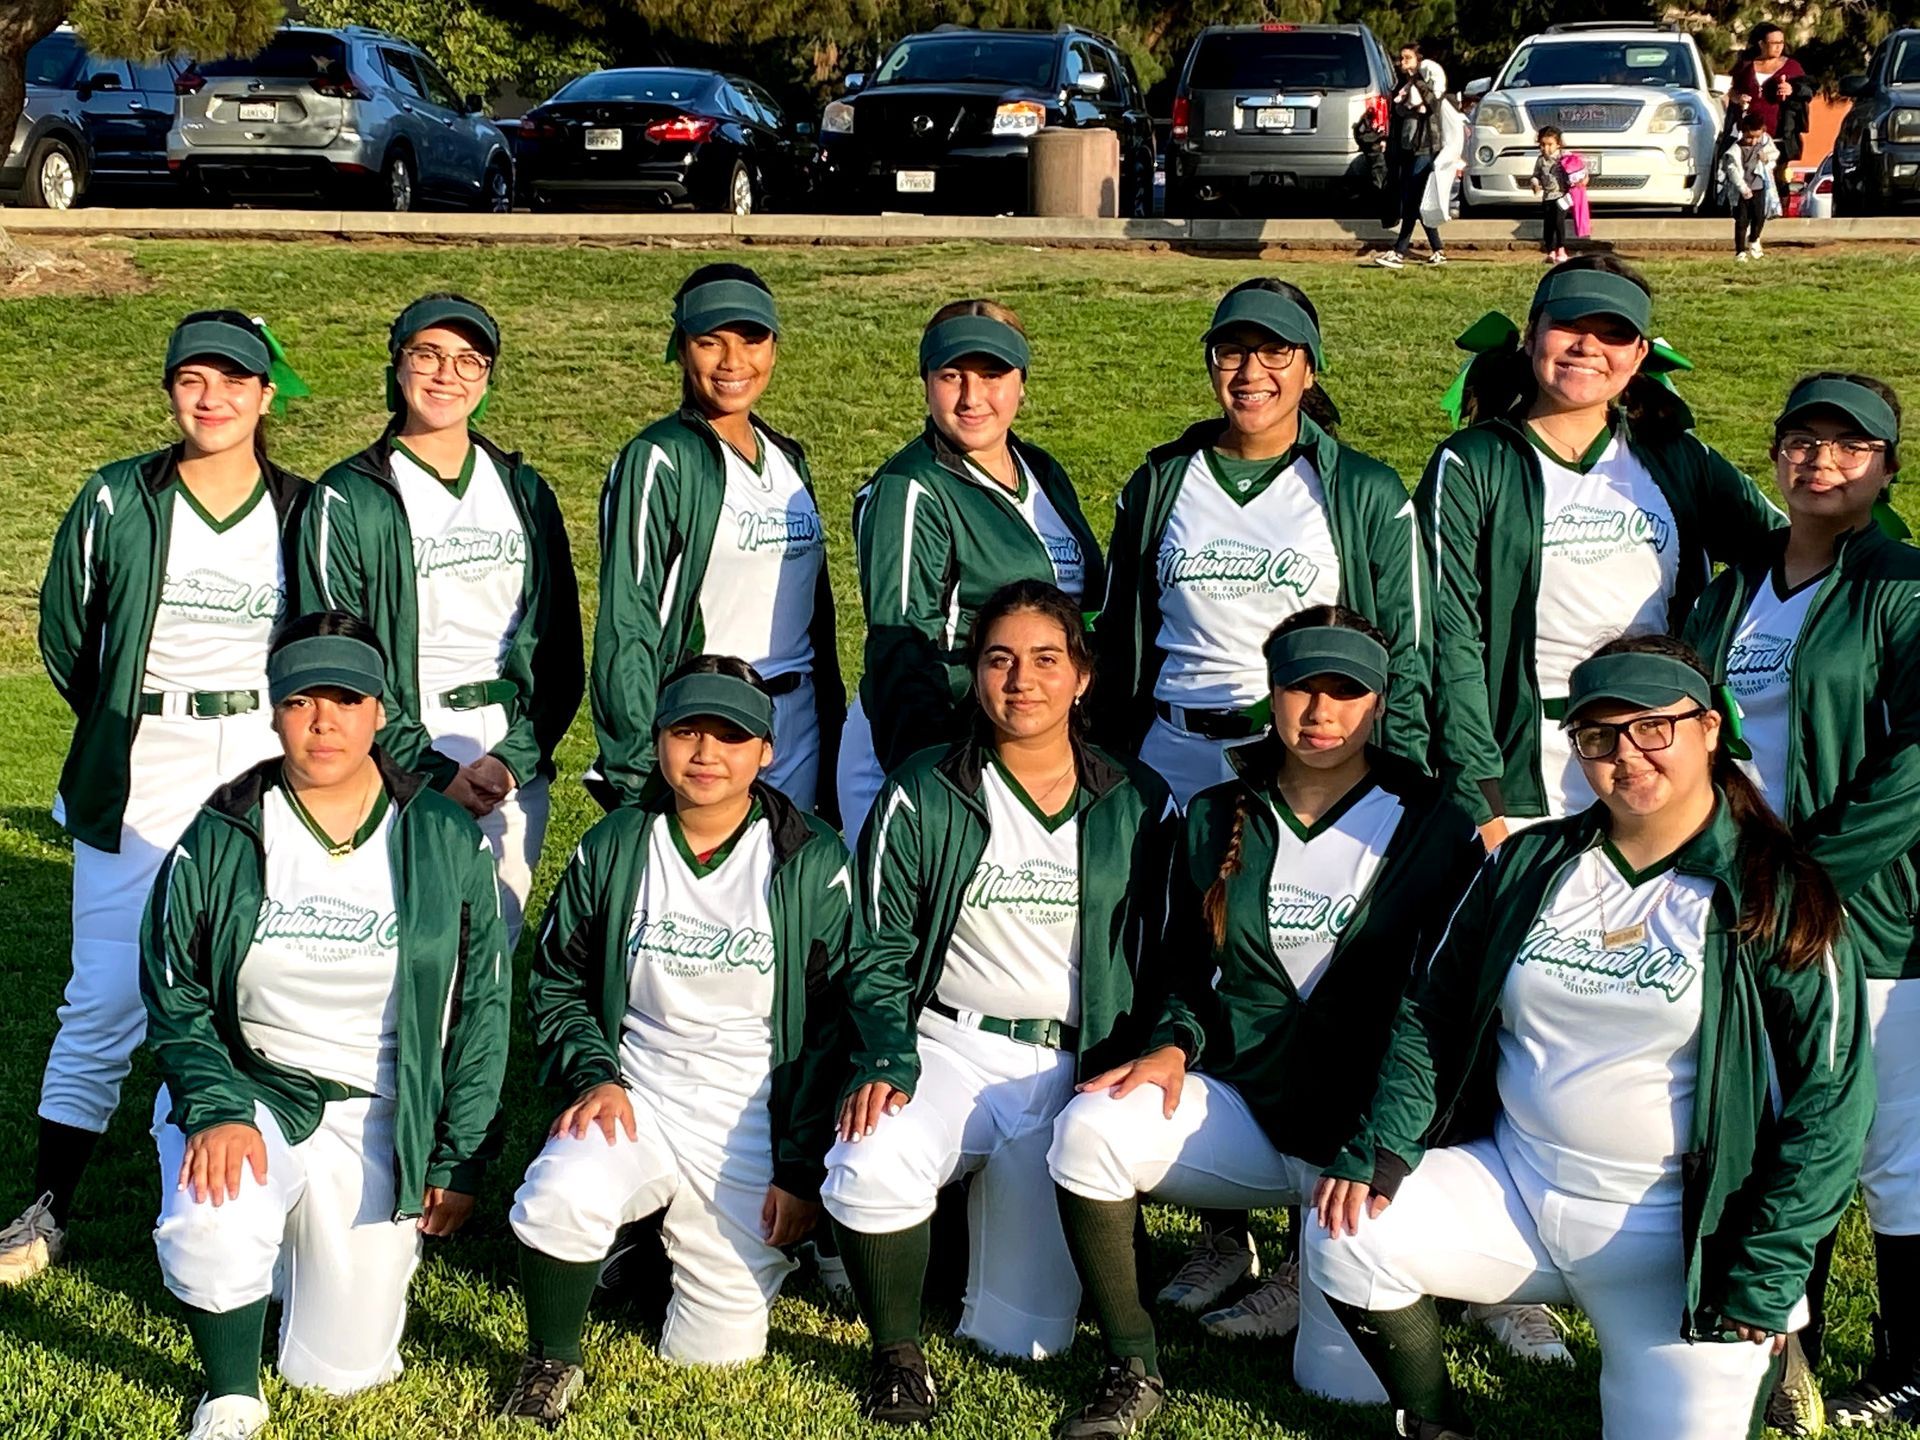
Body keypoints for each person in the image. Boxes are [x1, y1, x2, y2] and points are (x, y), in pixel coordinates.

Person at [1307, 635, 1873, 1440]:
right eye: (1598, 737)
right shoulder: (1529, 863)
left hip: (1677, 1242)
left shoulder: (1775, 891)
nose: (1626, 755)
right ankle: (1437, 1425)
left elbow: (1832, 1100)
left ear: (1710, 728)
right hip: (1519, 1186)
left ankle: (1770, 1355)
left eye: (1653, 728)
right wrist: (1387, 1144)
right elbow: (1433, 1011)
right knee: (1347, 1227)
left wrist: (1767, 1265)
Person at [1045, 609, 1482, 1437]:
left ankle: (1355, 1277)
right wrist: (1173, 1043)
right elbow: (1185, 969)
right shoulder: (1216, 813)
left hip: (1360, 1141)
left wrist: (1384, 1145)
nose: (1320, 712)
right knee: (1090, 1128)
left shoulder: (1435, 824)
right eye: (1300, 688)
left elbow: (1444, 1015)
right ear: (1271, 692)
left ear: (1380, 701)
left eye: (1345, 691)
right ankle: (1131, 1367)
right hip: (1249, 1112)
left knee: (1340, 1389)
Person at [141, 611, 511, 1440]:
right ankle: (231, 1394)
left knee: (338, 1372)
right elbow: (172, 989)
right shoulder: (223, 830)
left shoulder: (443, 833)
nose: (323, 722)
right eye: (301, 700)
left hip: (383, 1108)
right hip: (255, 1085)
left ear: (379, 711)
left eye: (346, 700)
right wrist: (216, 1104)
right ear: (274, 712)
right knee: (213, 1217)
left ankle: (286, 1258)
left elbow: (483, 1007)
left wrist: (457, 1152)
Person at [3, 312, 307, 1286]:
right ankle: (49, 1206)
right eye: (192, 380)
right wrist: (121, 721)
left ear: (266, 394)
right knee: (103, 991)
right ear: (171, 389)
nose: (212, 398)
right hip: (143, 757)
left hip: (263, 753)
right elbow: (67, 635)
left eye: (234, 380)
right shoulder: (117, 496)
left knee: (259, 982)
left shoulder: (304, 508)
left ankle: (261, 1194)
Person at [822, 580, 1170, 1425]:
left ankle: (955, 1250)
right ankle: (896, 1356)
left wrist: (1165, 1041)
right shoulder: (924, 788)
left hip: (1073, 1072)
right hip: (949, 1046)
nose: (1022, 680)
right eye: (999, 659)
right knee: (870, 1160)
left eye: (1047, 659)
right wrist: (886, 1055)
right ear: (975, 673)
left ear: (1082, 676)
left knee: (1024, 1340)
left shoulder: (1138, 798)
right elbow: (876, 946)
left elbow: (1172, 958)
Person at [500, 656, 851, 1424]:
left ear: (766, 751)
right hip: (638, 1091)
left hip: (750, 1112)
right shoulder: (617, 843)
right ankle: (551, 1357)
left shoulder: (811, 857)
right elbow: (557, 982)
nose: (705, 753)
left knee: (716, 1353)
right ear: (657, 740)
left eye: (731, 736)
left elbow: (832, 1027)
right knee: (557, 1196)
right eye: (687, 731)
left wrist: (799, 1173)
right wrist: (594, 1075)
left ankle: (659, 1251)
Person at [1683, 373, 1920, 1435]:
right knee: (1778, 1123)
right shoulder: (1733, 589)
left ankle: (1911, 1363)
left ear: (1887, 469)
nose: (1821, 460)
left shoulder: (1903, 587)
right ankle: (1788, 1354)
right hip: (1745, 901)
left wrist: (1814, 874)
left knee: (1893, 1149)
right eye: (1802, 440)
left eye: (1849, 445)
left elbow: (1917, 761)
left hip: (1868, 913)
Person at [294, 292, 582, 950]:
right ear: (398, 366)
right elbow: (333, 655)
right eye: (427, 354)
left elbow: (560, 649)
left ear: (487, 377)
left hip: (505, 753)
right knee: (392, 950)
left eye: (468, 360)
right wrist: (426, 768)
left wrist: (513, 760)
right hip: (395, 745)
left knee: (492, 949)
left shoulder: (523, 490)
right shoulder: (349, 495)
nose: (447, 374)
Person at [1096, 278, 1430, 811]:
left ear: (1310, 369)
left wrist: (1403, 788)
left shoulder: (1365, 490)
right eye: (1232, 352)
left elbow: (1405, 653)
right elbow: (1116, 637)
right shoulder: (1158, 483)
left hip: (1299, 758)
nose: (1251, 372)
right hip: (1167, 754)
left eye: (1276, 351)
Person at [836, 301, 1104, 844]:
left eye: (992, 375)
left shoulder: (1042, 471)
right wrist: (932, 788)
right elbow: (903, 652)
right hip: (934, 752)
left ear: (1022, 383)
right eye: (951, 376)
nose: (971, 397)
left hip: (1020, 744)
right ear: (925, 382)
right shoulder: (910, 489)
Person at [588, 264, 845, 821]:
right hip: (710, 727)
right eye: (710, 342)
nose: (733, 362)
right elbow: (627, 625)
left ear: (774, 347)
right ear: (681, 349)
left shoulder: (788, 460)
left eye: (752, 340)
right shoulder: (658, 459)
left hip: (796, 726)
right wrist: (635, 766)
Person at [1374, 43, 1445, 269]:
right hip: (1408, 149)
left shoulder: (1427, 84)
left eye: (1408, 58)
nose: (1402, 62)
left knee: (1413, 199)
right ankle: (1438, 249)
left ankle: (1399, 250)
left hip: (1425, 148)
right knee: (1414, 198)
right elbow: (1397, 114)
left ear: (1418, 60)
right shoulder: (1403, 86)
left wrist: (1419, 82)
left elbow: (1433, 105)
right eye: (1401, 58)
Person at [1730, 23, 1813, 196]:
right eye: (1773, 43)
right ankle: (1751, 210)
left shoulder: (1792, 67)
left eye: (1781, 42)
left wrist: (1792, 89)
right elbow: (1732, 91)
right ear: (1761, 44)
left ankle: (1779, 211)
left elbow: (1808, 91)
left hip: (1779, 134)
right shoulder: (1746, 65)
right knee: (1747, 178)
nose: (1778, 47)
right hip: (1749, 135)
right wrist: (1739, 98)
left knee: (1778, 179)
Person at [1723, 111, 1779, 262]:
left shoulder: (1765, 143)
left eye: (1757, 137)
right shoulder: (1735, 150)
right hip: (1743, 191)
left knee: (1759, 217)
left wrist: (1767, 160)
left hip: (1759, 187)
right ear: (1743, 132)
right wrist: (1742, 188)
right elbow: (1732, 171)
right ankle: (1740, 251)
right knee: (1742, 221)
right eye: (1749, 137)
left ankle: (1754, 239)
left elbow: (1773, 157)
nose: (1753, 141)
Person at [1532, 126, 1573, 264]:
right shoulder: (1540, 160)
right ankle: (1550, 250)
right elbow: (1536, 175)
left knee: (1558, 222)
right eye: (1542, 145)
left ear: (1558, 144)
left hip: (1562, 196)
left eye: (1550, 144)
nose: (1546, 148)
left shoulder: (1563, 158)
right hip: (1547, 197)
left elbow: (1576, 170)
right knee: (1548, 224)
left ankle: (1561, 249)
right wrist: (1535, 183)